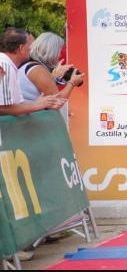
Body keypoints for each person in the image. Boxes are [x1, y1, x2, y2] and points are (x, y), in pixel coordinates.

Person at [0, 27, 67, 262]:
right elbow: (6, 108)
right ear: (20, 48)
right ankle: (20, 245)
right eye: (29, 45)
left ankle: (26, 241)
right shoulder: (8, 65)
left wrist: (38, 103)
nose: (31, 48)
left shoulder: (11, 66)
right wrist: (38, 105)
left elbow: (14, 104)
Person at [18, 31, 85, 122]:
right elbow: (58, 100)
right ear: (52, 51)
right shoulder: (37, 69)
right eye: (58, 51)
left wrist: (55, 79)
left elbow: (45, 92)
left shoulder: (30, 65)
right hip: (31, 121)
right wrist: (72, 82)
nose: (59, 55)